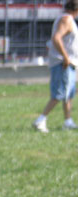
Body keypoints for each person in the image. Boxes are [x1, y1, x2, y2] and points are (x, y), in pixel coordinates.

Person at [32, 1, 78, 133]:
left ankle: (68, 121)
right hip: (63, 63)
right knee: (59, 93)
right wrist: (66, 57)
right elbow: (57, 38)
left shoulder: (67, 19)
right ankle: (41, 119)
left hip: (67, 62)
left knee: (68, 93)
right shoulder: (66, 19)